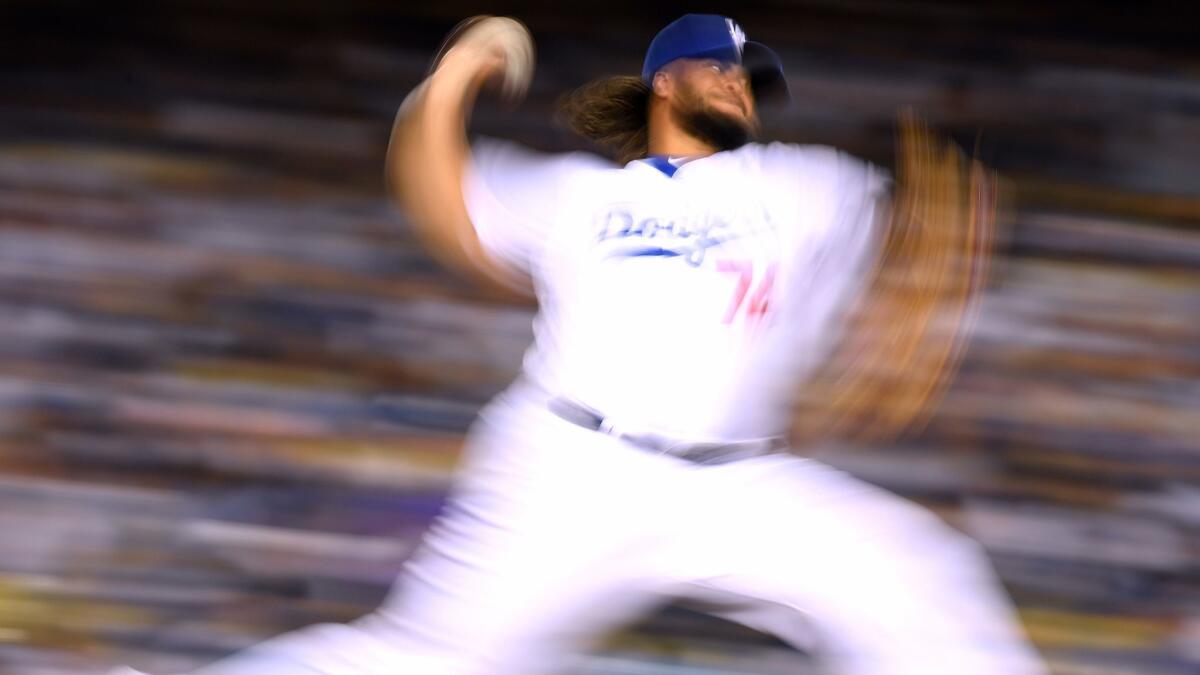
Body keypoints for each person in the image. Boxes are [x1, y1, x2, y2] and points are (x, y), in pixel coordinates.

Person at [123, 13, 1046, 675]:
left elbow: (926, 234)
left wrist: (913, 324)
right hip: (571, 472)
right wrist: (449, 81)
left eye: (747, 76)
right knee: (430, 658)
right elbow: (450, 209)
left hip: (738, 483)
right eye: (715, 66)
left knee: (918, 575)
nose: (738, 84)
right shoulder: (578, 198)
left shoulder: (809, 183)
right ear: (664, 85)